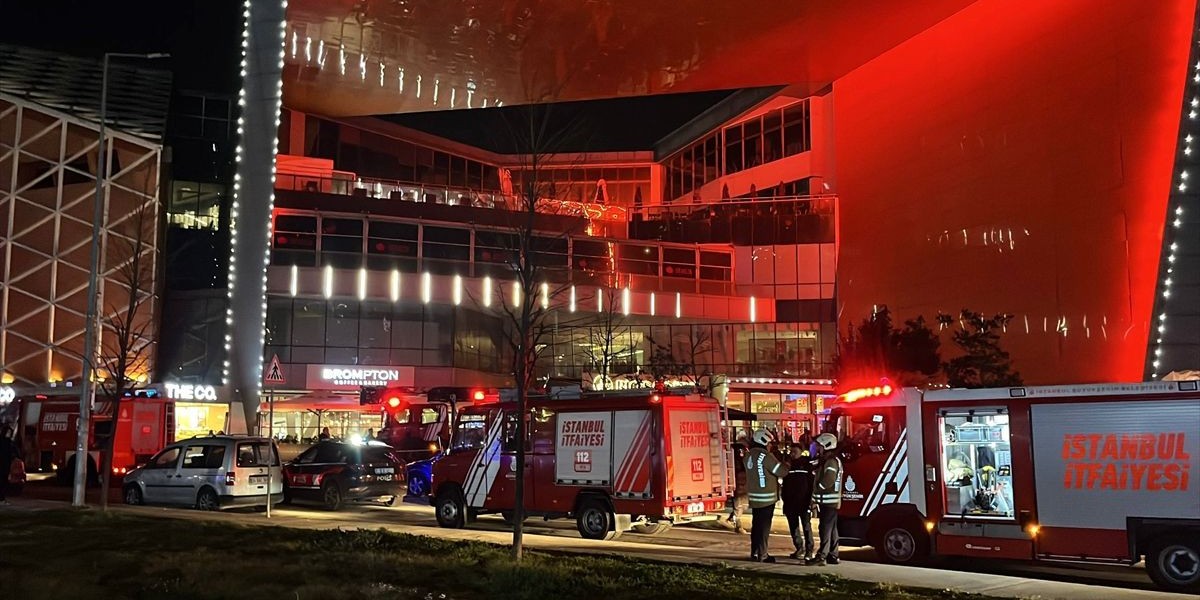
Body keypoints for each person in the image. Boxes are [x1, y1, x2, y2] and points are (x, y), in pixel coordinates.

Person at [745, 429, 786, 562]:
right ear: (764, 441)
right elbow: (781, 471)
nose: (770, 446)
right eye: (769, 443)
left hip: (754, 497)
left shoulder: (748, 455)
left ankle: (755, 552)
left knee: (756, 526)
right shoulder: (766, 456)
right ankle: (763, 554)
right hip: (766, 498)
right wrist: (787, 464)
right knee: (764, 528)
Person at [808, 432, 844, 566]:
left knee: (825, 529)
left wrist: (817, 488)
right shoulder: (832, 460)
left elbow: (829, 479)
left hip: (828, 501)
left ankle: (821, 556)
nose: (818, 448)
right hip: (831, 502)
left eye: (819, 446)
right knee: (832, 529)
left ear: (827, 445)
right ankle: (833, 555)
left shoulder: (830, 461)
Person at [782, 445, 816, 561]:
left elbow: (811, 484)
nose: (792, 454)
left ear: (801, 452)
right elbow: (785, 484)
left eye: (795, 451)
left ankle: (809, 550)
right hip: (790, 502)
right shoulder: (788, 465)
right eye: (791, 451)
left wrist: (811, 501)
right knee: (794, 527)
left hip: (803, 502)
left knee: (806, 526)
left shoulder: (807, 465)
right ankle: (799, 548)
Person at [725, 435, 748, 534]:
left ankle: (731, 519)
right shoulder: (737, 461)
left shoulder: (741, 460)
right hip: (739, 486)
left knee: (742, 506)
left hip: (743, 487)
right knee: (739, 507)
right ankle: (737, 525)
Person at [0, 426, 17, 505]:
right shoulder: (6, 442)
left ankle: (2, 498)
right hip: (3, 465)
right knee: (2, 482)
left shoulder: (8, 442)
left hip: (6, 465)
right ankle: (1, 499)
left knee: (4, 482)